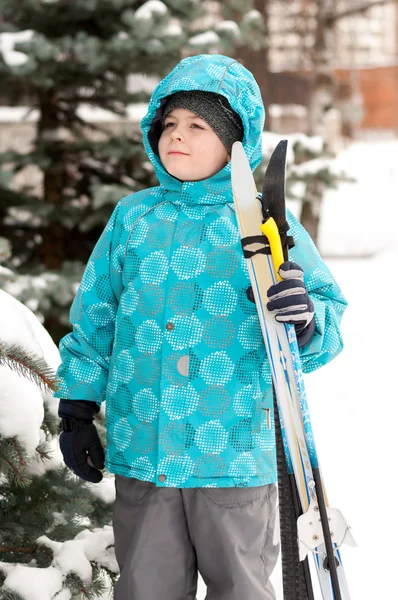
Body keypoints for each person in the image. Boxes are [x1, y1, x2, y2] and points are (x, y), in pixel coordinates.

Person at [55, 54, 347, 600]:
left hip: (233, 456)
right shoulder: (133, 219)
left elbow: (327, 317)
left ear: (236, 144)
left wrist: (304, 317)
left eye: (197, 126)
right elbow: (96, 317)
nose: (177, 137)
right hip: (145, 450)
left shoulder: (262, 220)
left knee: (240, 586)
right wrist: (76, 408)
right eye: (169, 124)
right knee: (146, 586)